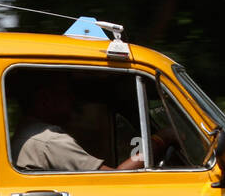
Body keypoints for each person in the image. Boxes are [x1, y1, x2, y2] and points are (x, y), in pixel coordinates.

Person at [11, 74, 145, 172]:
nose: (73, 101)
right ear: (45, 99)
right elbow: (115, 179)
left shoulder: (26, 132)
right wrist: (157, 143)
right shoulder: (50, 141)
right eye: (66, 94)